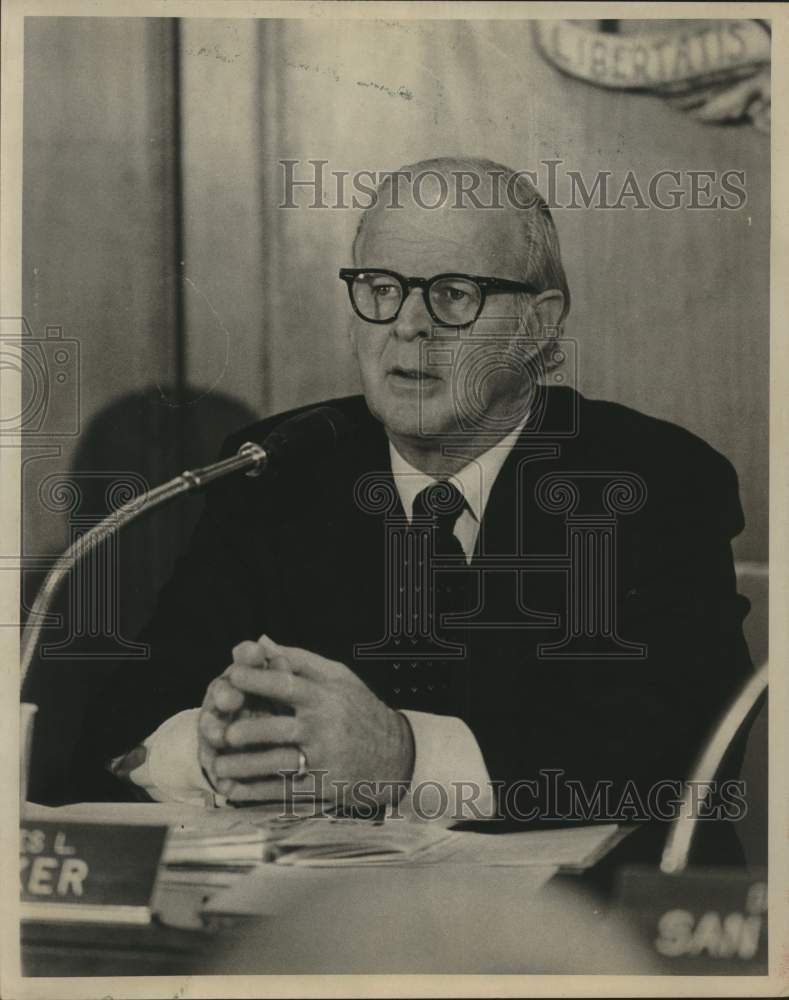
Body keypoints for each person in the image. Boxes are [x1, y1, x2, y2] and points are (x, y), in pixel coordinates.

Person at [57, 158, 752, 844]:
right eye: (381, 287)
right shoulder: (277, 469)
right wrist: (211, 747)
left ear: (538, 326)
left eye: (453, 294)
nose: (408, 325)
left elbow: (689, 749)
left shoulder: (654, 480)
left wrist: (402, 758)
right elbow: (123, 724)